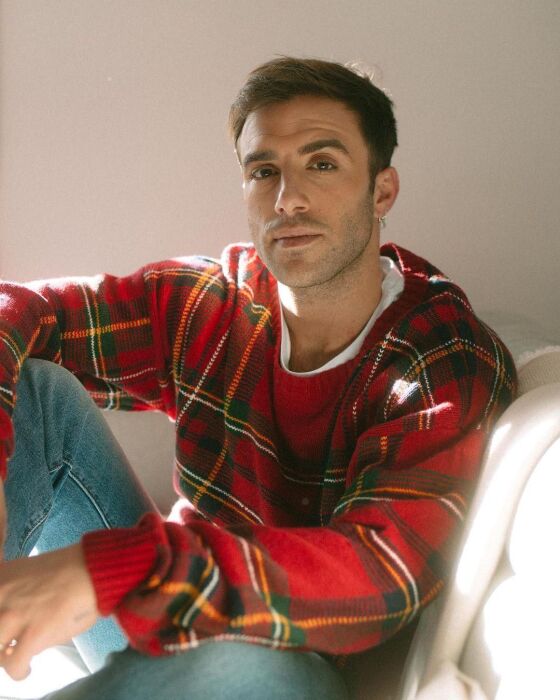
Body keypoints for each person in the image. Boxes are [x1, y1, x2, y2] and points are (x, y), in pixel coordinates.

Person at [0, 57, 516, 699]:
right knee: (35, 394)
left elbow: (378, 573)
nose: (287, 199)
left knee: (253, 664)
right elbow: (22, 308)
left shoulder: (440, 358)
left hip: (298, 667)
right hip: (175, 616)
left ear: (382, 192)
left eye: (321, 164)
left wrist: (126, 567)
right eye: (263, 170)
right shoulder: (214, 304)